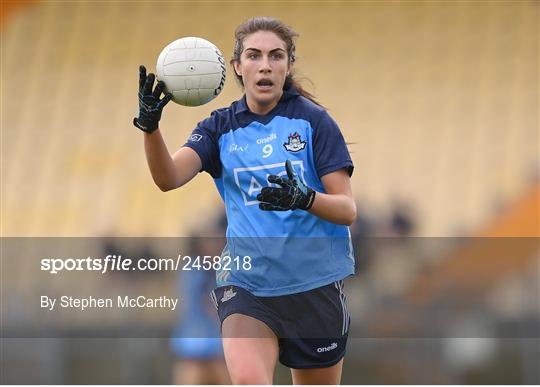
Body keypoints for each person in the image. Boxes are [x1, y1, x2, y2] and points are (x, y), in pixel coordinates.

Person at [134, 16, 356, 384]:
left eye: (276, 56)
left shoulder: (315, 123)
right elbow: (168, 178)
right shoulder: (218, 128)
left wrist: (304, 198)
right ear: (237, 67)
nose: (265, 65)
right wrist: (151, 128)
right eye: (254, 56)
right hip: (246, 285)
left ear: (289, 65)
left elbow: (347, 210)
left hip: (314, 286)